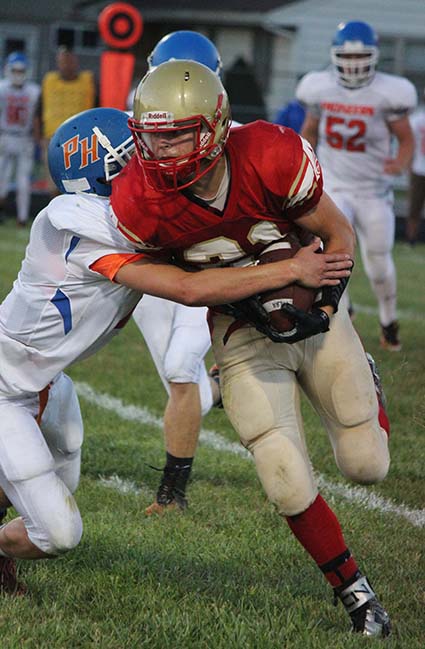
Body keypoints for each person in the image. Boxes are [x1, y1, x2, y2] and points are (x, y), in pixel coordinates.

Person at [0, 106, 348, 596]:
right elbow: (186, 287)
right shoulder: (80, 222)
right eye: (136, 153)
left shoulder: (127, 213)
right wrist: (287, 271)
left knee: (62, 475)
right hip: (6, 386)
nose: (154, 158)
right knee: (58, 532)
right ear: (105, 170)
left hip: (46, 378)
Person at [110, 59, 392, 637]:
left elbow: (338, 235)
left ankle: (365, 370)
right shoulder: (137, 198)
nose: (160, 150)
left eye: (176, 134)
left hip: (311, 310)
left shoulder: (270, 152)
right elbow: (185, 289)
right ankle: (355, 594)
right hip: (237, 329)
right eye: (151, 136)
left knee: (366, 466)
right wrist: (272, 279)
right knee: (283, 472)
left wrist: (325, 305)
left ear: (214, 125)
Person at [131, 31, 225, 516]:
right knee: (183, 388)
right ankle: (220, 389)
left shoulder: (232, 136)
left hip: (206, 270)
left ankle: (171, 494)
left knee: (179, 368)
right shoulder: (135, 130)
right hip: (154, 275)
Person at [296, 20, 417, 351]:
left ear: (375, 57)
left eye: (362, 56)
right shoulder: (319, 88)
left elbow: (405, 139)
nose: (354, 64)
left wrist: (400, 162)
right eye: (347, 57)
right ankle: (343, 316)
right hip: (335, 186)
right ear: (334, 57)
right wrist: (305, 162)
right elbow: (310, 130)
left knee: (378, 261)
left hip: (374, 190)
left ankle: (388, 321)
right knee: (335, 254)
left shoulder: (390, 93)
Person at [40, 46, 96, 195]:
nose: (66, 64)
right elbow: (39, 109)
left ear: (76, 61)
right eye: (63, 61)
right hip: (52, 139)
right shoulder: (49, 81)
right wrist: (38, 136)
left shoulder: (87, 81)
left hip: (80, 140)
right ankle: (54, 214)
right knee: (53, 185)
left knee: (79, 182)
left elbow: (96, 108)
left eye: (69, 60)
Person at [0, 52, 41, 226]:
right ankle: (15, 215)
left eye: (20, 70)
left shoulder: (33, 90)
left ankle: (22, 217)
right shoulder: (31, 90)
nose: (17, 74)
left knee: (23, 180)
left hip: (24, 138)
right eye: (14, 70)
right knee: (3, 177)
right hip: (6, 135)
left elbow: (37, 117)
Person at [406, 96, 425, 244]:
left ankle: (411, 239)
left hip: (418, 167)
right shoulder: (416, 119)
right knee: (414, 207)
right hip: (418, 168)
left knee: (414, 207)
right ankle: (411, 238)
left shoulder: (416, 119)